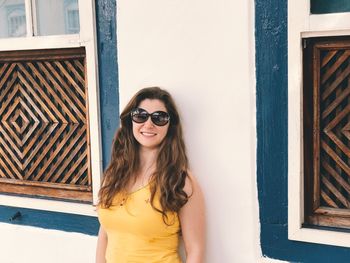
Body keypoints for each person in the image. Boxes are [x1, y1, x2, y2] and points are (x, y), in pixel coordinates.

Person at [96, 87, 205, 263]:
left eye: (159, 118)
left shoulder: (180, 180)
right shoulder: (114, 174)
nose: (148, 124)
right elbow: (105, 235)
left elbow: (196, 251)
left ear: (170, 126)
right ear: (130, 120)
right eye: (141, 115)